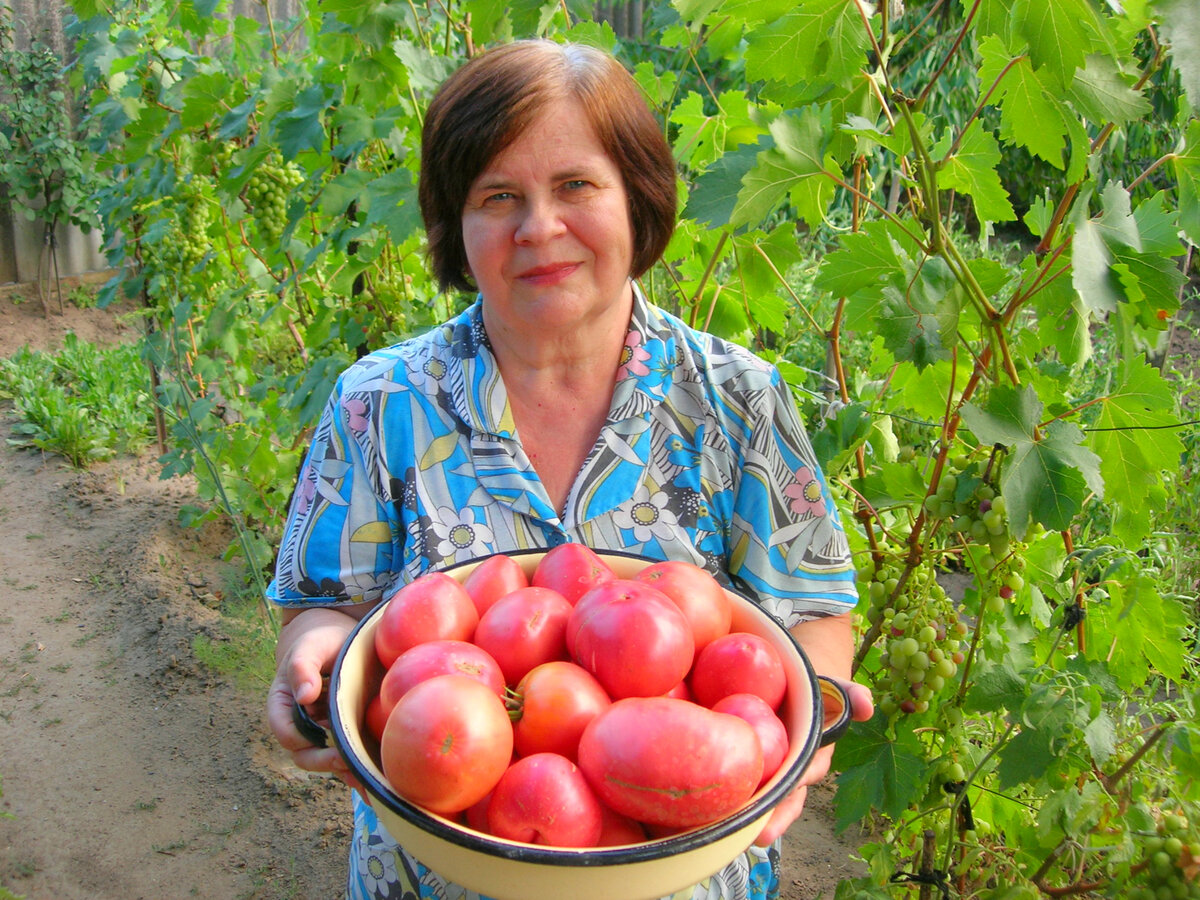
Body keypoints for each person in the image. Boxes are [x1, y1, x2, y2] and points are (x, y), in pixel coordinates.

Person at [265, 38, 873, 900]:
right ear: (455, 225)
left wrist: (808, 724)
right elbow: (320, 604)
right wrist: (313, 663)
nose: (538, 227)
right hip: (439, 872)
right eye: (497, 195)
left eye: (577, 186)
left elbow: (813, 612)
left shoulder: (738, 399)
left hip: (686, 867)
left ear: (639, 199)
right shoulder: (379, 403)